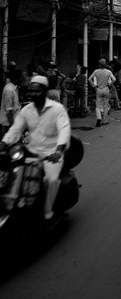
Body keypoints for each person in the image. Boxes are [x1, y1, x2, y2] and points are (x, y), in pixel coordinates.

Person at [0, 75, 71, 221]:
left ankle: (48, 211)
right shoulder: (26, 110)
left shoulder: (57, 109)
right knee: (12, 174)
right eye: (30, 91)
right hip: (30, 151)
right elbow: (15, 129)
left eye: (36, 91)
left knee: (50, 180)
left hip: (52, 153)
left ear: (45, 91)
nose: (32, 94)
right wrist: (4, 143)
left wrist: (58, 151)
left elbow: (64, 130)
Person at [88, 59, 116, 126]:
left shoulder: (96, 71)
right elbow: (114, 79)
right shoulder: (108, 71)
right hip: (106, 89)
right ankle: (105, 121)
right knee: (106, 105)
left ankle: (99, 117)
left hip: (99, 89)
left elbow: (89, 79)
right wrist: (110, 84)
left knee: (98, 106)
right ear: (105, 64)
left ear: (99, 65)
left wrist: (94, 86)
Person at [0, 72, 20, 139]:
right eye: (21, 78)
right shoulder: (9, 89)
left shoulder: (13, 87)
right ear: (17, 78)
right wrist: (12, 127)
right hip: (8, 123)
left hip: (13, 121)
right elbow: (8, 110)